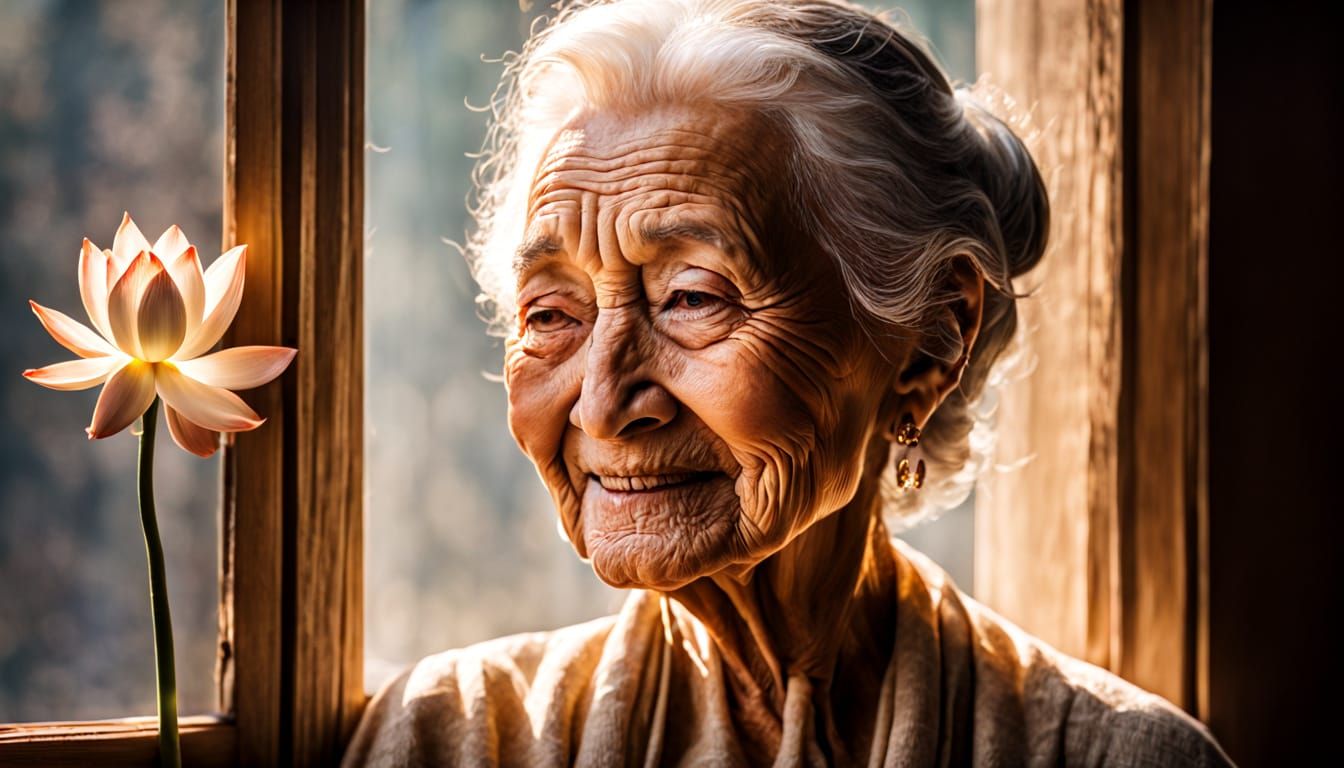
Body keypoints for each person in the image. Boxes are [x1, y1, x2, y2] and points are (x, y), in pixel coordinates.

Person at [344, 0, 1234, 764]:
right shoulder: (451, 740)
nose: (604, 403)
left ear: (931, 341)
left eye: (691, 296)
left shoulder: (1117, 757)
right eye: (552, 315)